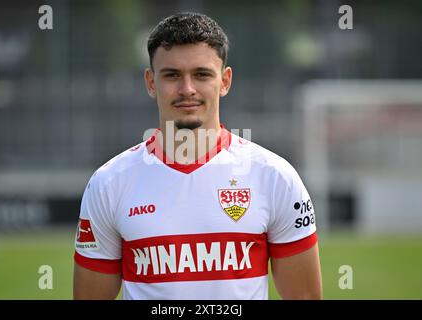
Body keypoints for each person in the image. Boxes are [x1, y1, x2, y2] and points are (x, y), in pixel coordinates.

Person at [73, 12, 322, 300]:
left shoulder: (275, 177)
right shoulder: (108, 183)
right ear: (151, 82)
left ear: (225, 81)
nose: (187, 89)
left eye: (202, 74)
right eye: (172, 75)